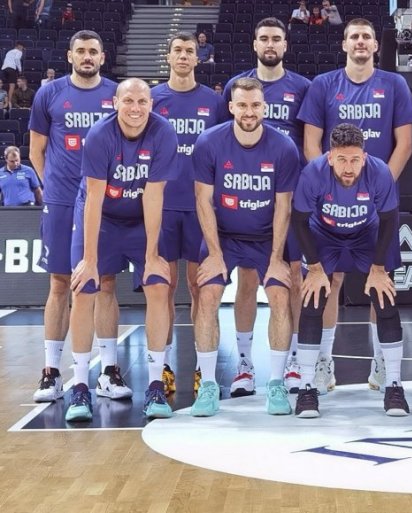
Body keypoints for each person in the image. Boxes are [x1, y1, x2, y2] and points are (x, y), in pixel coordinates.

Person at [299, 17, 412, 395]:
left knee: (378, 280)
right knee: (328, 280)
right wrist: (329, 187)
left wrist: (377, 188)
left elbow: (405, 144)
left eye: (367, 36)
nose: (361, 41)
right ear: (344, 43)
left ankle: (381, 363)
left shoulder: (395, 84)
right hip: (331, 202)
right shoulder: (323, 85)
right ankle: (324, 362)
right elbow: (311, 143)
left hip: (374, 200)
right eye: (354, 36)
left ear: (376, 45)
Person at [67, 78, 179, 421]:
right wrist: (89, 259)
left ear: (151, 105)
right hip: (101, 218)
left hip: (139, 220)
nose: (135, 108)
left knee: (158, 285)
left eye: (142, 101)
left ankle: (156, 384)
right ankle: (81, 386)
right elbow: (94, 198)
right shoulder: (100, 136)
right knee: (86, 287)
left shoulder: (163, 133)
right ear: (115, 103)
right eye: (128, 100)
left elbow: (154, 194)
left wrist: (151, 255)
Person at [189, 77, 300, 417]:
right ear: (231, 107)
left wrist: (277, 258)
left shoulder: (284, 147)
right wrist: (215, 254)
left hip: (266, 237)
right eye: (242, 105)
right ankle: (209, 384)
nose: (249, 112)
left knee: (280, 294)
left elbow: (284, 206)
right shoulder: (209, 143)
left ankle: (277, 382)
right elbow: (203, 200)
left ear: (264, 108)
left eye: (255, 105)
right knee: (208, 294)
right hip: (224, 236)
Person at [29, 30, 121, 404]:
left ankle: (110, 370)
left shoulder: (116, 94)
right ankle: (51, 372)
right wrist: (53, 188)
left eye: (93, 51)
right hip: (62, 201)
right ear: (70, 56)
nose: (87, 56)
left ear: (102, 57)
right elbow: (36, 151)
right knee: (59, 283)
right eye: (80, 51)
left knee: (106, 282)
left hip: (105, 203)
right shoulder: (49, 94)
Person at [291, 124, 406, 417]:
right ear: (330, 157)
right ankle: (307, 387)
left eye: (355, 159)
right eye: (342, 159)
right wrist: (314, 267)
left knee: (385, 297)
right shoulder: (313, 174)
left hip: (367, 234)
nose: (348, 167)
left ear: (364, 157)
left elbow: (390, 220)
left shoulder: (380, 173)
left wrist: (378, 268)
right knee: (313, 299)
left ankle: (393, 384)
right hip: (324, 234)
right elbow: (299, 221)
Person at [223, 17, 311, 397]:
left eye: (277, 38)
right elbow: (224, 138)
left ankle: (293, 361)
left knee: (293, 279)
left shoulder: (303, 88)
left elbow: (311, 141)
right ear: (255, 44)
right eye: (264, 38)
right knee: (247, 280)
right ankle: (244, 364)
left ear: (285, 45)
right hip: (249, 196)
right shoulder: (237, 85)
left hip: (290, 196)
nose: (270, 44)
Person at [151, 32, 229, 394]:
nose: (183, 56)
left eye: (189, 51)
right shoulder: (152, 99)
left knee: (202, 289)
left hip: (201, 208)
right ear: (168, 57)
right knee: (163, 289)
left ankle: (203, 366)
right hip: (163, 207)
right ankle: (163, 366)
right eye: (178, 51)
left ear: (198, 58)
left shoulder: (214, 102)